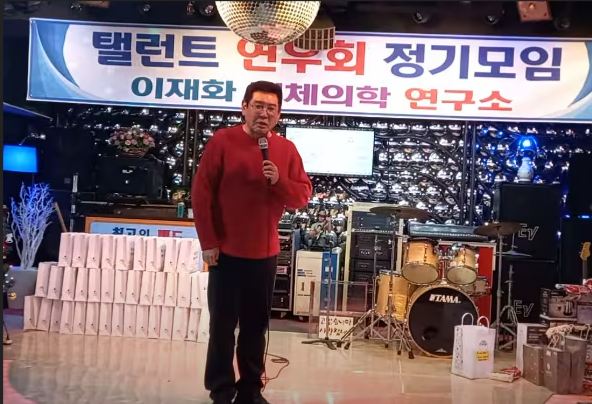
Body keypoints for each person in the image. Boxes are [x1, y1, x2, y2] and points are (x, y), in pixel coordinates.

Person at [191, 81, 312, 404]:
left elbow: (301, 196)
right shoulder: (222, 141)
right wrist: (208, 241)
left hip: (264, 253)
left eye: (271, 108)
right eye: (258, 106)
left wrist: (279, 180)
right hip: (225, 252)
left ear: (279, 114)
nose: (264, 113)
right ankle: (220, 389)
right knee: (222, 326)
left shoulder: (286, 149)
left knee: (255, 328)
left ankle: (250, 390)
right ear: (244, 107)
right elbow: (201, 194)